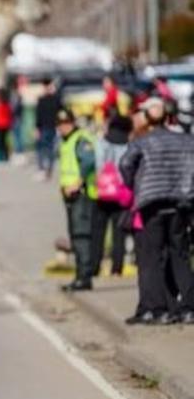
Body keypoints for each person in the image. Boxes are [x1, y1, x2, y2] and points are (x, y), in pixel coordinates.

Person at [119, 99, 194, 325]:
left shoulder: (142, 142)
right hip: (180, 201)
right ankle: (189, 306)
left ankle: (157, 308)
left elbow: (125, 164)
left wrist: (135, 183)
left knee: (152, 256)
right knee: (180, 254)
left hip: (151, 201)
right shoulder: (185, 140)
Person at [56, 109, 98, 292]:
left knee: (81, 235)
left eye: (67, 123)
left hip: (81, 193)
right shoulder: (66, 141)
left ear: (72, 123)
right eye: (61, 124)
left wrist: (78, 182)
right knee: (75, 234)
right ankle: (80, 275)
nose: (64, 127)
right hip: (70, 195)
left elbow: (89, 161)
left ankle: (84, 277)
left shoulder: (80, 139)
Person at [89, 115, 133, 278]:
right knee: (119, 233)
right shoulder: (129, 145)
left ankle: (94, 267)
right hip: (121, 195)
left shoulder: (101, 142)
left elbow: (98, 165)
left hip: (102, 194)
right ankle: (117, 268)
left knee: (97, 233)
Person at [35, 78, 61, 180]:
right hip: (44, 127)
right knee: (42, 148)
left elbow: (60, 110)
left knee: (49, 149)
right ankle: (42, 169)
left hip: (52, 127)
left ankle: (48, 169)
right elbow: (38, 115)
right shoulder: (41, 99)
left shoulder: (56, 98)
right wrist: (37, 128)